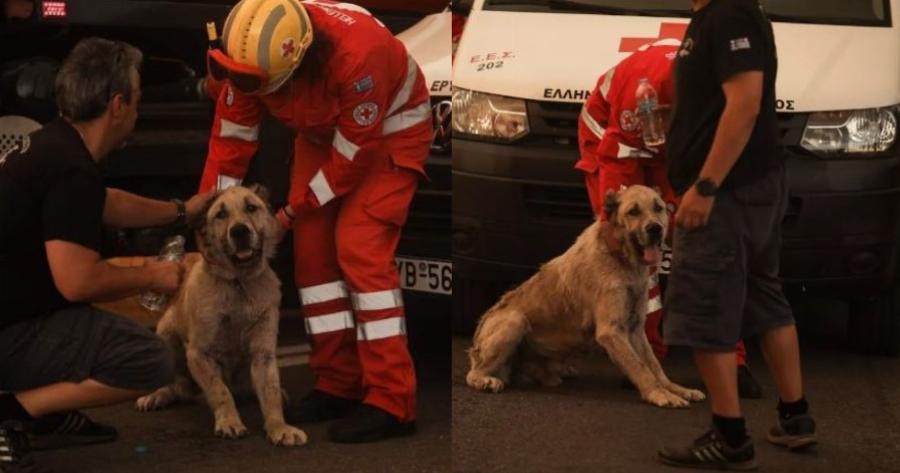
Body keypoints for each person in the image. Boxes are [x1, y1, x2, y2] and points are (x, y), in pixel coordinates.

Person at [200, 0, 431, 443]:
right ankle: (337, 383)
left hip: (389, 132)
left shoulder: (360, 58)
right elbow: (230, 142)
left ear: (299, 63)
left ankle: (392, 400)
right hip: (324, 132)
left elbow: (351, 157)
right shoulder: (250, 55)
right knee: (312, 257)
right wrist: (209, 226)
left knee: (358, 248)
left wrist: (293, 209)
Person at [0, 38, 212, 473]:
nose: (138, 109)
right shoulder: (71, 169)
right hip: (9, 333)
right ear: (118, 106)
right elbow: (77, 281)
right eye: (137, 99)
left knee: (79, 320)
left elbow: (103, 202)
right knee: (150, 358)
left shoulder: (55, 145)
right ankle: (15, 413)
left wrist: (181, 211)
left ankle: (47, 414)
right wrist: (151, 275)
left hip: (12, 317)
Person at [657, 0, 816, 469]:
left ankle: (730, 439)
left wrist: (706, 186)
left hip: (729, 192)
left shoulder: (728, 15)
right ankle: (795, 419)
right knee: (764, 296)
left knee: (705, 306)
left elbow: (745, 103)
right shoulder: (726, 14)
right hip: (752, 184)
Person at [576, 39, 762, 399]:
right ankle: (645, 356)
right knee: (633, 247)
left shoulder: (729, 94)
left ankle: (733, 360)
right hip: (617, 141)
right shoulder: (641, 97)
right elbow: (617, 157)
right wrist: (613, 222)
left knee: (707, 246)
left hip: (674, 149)